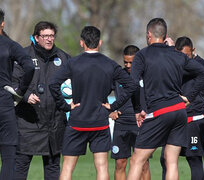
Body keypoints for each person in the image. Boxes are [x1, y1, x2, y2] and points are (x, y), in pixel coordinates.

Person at [49, 26, 137, 180]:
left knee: (68, 167)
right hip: (100, 122)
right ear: (100, 42)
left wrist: (64, 106)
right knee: (102, 166)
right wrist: (113, 106)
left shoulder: (73, 63)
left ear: (82, 42)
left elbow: (53, 83)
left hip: (77, 121)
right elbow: (131, 86)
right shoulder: (110, 64)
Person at [127, 18, 204, 180]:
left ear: (149, 34)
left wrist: (136, 110)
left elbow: (133, 85)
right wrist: (189, 98)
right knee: (171, 161)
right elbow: (203, 72)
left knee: (137, 159)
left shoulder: (142, 55)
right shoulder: (177, 55)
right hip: (179, 111)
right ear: (165, 36)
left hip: (160, 111)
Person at [12, 21, 71, 180]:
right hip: (27, 123)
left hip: (55, 124)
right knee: (20, 167)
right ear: (36, 37)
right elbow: (11, 83)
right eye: (45, 36)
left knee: (53, 168)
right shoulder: (23, 56)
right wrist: (25, 96)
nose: (49, 39)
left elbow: (77, 82)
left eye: (51, 36)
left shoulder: (63, 57)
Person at [160, 36, 204, 180]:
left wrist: (169, 51)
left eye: (186, 56)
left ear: (193, 50)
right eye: (180, 57)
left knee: (194, 159)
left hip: (194, 120)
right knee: (166, 159)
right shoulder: (177, 65)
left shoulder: (202, 66)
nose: (183, 61)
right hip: (175, 120)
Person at [0, 9, 34, 180]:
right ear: (2, 23)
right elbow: (29, 66)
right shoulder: (10, 45)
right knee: (8, 156)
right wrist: (20, 92)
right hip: (4, 104)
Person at [110, 45, 151, 180]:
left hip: (141, 125)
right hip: (121, 124)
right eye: (125, 62)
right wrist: (109, 111)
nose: (128, 65)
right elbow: (99, 92)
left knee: (143, 164)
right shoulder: (117, 76)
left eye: (131, 62)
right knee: (120, 163)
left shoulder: (147, 76)